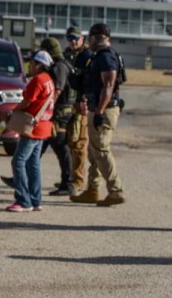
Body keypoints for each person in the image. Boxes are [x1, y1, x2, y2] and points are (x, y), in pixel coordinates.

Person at [70, 23, 125, 207]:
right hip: (98, 108)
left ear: (97, 37)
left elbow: (108, 86)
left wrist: (100, 111)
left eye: (91, 37)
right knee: (94, 151)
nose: (89, 40)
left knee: (101, 149)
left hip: (104, 109)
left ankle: (115, 191)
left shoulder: (107, 58)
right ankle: (92, 190)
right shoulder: (98, 57)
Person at [6, 51, 55, 212]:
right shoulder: (49, 80)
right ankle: (35, 199)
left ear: (39, 65)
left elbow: (27, 101)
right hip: (43, 126)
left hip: (32, 127)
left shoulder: (38, 80)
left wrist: (13, 111)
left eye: (32, 63)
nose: (30, 66)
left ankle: (23, 200)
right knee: (33, 164)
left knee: (18, 161)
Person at [41, 37, 75, 197]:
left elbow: (58, 90)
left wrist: (47, 108)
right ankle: (21, 177)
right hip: (61, 111)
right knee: (41, 143)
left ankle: (68, 183)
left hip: (60, 113)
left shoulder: (60, 67)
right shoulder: (63, 63)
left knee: (60, 146)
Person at [63, 25, 93, 194]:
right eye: (70, 38)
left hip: (81, 104)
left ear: (83, 38)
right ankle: (69, 179)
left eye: (76, 38)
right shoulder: (67, 55)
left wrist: (84, 100)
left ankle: (79, 181)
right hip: (67, 104)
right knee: (68, 143)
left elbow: (90, 81)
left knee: (79, 144)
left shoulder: (87, 56)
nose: (73, 41)